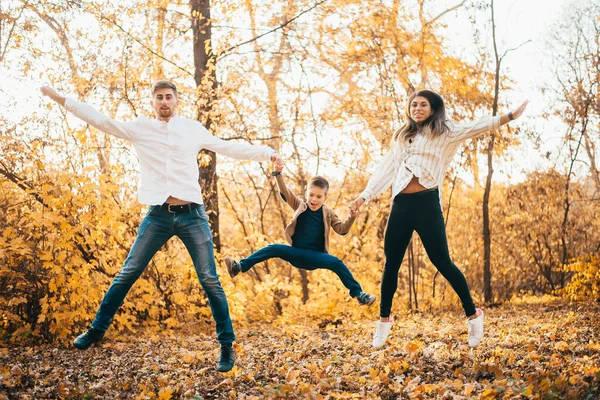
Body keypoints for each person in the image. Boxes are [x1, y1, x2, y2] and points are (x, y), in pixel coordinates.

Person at [40, 80, 282, 372]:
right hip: (157, 215)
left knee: (209, 279)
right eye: (159, 98)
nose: (164, 101)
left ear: (176, 101)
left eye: (169, 97)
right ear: (153, 102)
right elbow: (101, 120)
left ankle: (226, 345)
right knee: (128, 272)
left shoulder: (192, 129)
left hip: (193, 215)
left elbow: (227, 147)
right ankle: (96, 330)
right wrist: (60, 98)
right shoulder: (140, 129)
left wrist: (266, 153)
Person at [349, 89, 528, 349]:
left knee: (442, 262)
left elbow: (475, 126)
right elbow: (386, 169)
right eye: (413, 104)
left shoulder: (445, 132)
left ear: (433, 109)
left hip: (427, 204)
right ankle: (384, 321)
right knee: (391, 264)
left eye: (423, 105)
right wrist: (363, 197)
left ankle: (473, 314)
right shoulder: (402, 137)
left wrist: (509, 116)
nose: (417, 108)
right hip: (401, 205)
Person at [225, 162, 376, 307]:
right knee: (273, 248)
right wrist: (278, 174)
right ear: (306, 194)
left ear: (325, 198)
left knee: (336, 262)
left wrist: (352, 217)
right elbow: (285, 192)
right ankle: (239, 267)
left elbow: (342, 230)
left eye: (318, 197)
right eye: (311, 195)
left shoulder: (328, 213)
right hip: (296, 253)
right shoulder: (300, 205)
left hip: (316, 257)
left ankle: (359, 295)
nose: (314, 200)